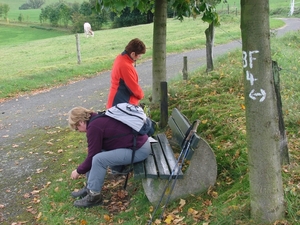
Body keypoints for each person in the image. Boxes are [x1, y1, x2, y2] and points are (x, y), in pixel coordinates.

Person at [68, 106, 151, 208]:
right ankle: (89, 188)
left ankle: (94, 196)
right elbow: (94, 151)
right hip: (139, 144)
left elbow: (92, 157)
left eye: (77, 128)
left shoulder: (94, 127)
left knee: (98, 159)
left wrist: (78, 171)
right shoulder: (97, 118)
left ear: (80, 122)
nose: (79, 131)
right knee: (97, 155)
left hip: (139, 150)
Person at [106, 38, 146, 109]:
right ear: (133, 54)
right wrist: (141, 95)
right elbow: (133, 87)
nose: (140, 58)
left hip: (116, 100)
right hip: (120, 102)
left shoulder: (120, 58)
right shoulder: (125, 66)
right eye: (139, 56)